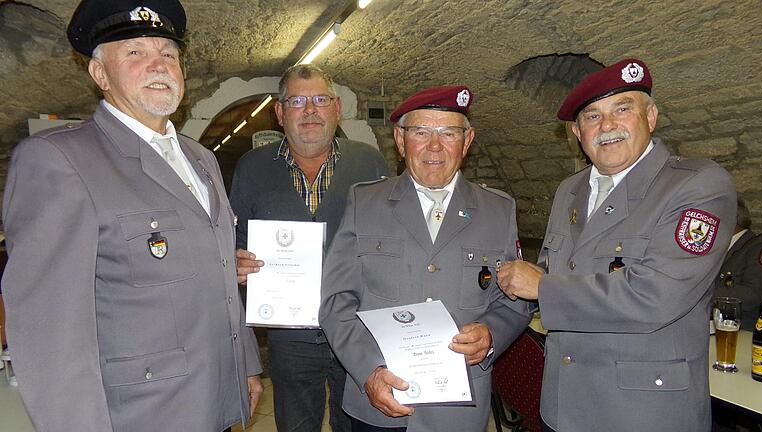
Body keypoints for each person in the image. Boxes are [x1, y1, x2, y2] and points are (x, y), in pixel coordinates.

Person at [2, 1, 262, 430]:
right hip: (141, 414)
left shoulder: (200, 159)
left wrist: (246, 365)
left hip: (214, 398)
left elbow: (216, 277)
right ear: (100, 75)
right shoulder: (59, 161)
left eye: (168, 54)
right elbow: (50, 334)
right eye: (135, 53)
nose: (157, 65)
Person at [497, 58, 736, 432]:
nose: (607, 126)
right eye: (592, 116)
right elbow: (553, 271)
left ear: (651, 117)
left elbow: (655, 296)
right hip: (563, 405)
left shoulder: (696, 185)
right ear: (577, 132)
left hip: (641, 412)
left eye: (622, 109)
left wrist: (541, 286)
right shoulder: (569, 191)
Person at [319, 85, 532, 432]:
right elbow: (335, 302)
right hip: (378, 402)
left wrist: (491, 335)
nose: (435, 146)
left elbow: (515, 303)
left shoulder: (498, 210)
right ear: (400, 141)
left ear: (467, 141)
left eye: (449, 133)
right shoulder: (365, 203)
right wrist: (368, 371)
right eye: (421, 132)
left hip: (458, 409)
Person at [231, 64, 389, 432]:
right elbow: (234, 245)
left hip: (356, 330)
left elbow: (389, 240)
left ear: (336, 108)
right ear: (281, 113)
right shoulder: (252, 168)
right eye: (298, 101)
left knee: (356, 422)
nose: (310, 110)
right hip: (291, 337)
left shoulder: (370, 162)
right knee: (296, 425)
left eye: (320, 99)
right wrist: (237, 265)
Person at [713, 196, 762, 330]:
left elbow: (753, 294)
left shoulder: (759, 245)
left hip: (743, 334)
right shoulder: (722, 249)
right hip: (717, 329)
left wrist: (702, 295)